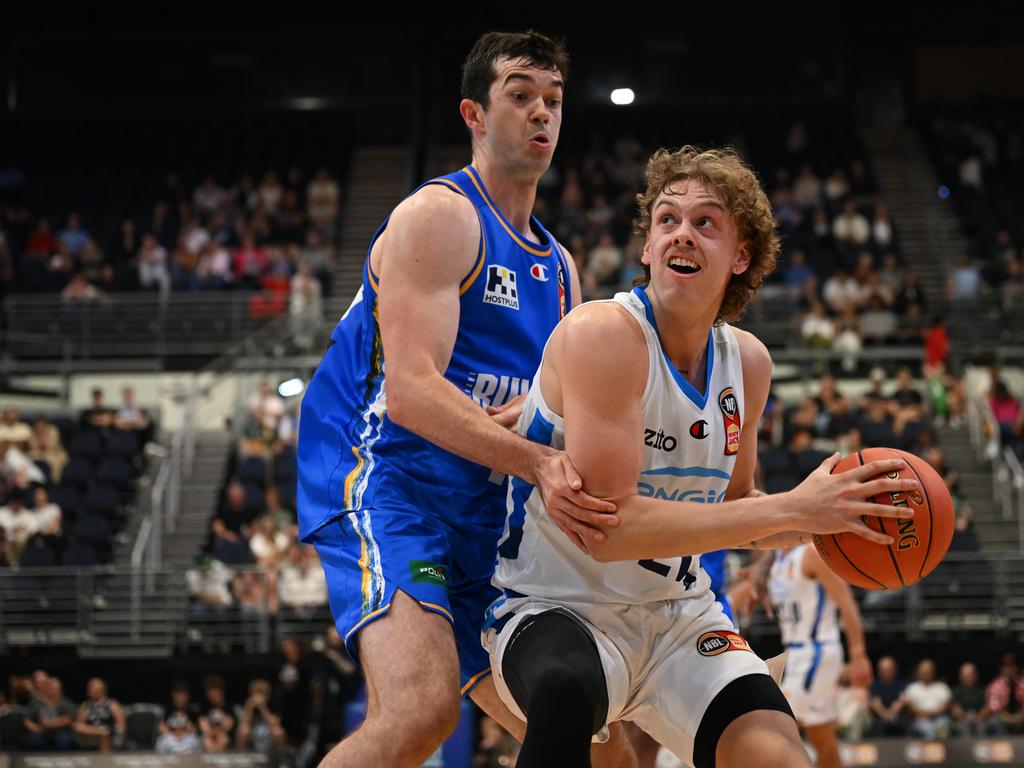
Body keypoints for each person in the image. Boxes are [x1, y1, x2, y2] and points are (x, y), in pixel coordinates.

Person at [482, 146, 918, 768]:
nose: (681, 233)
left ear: (741, 256)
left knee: (776, 756)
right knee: (562, 692)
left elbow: (739, 506)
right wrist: (791, 508)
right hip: (558, 603)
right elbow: (610, 530)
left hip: (680, 616)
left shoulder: (750, 364)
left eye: (705, 222)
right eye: (667, 220)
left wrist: (833, 518)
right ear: (646, 247)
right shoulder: (603, 335)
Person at [296, 30, 621, 768]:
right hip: (387, 481)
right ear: (474, 113)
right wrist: (540, 460)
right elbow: (411, 393)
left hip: (483, 509)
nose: (541, 114)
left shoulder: (563, 269)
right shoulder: (440, 216)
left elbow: (537, 405)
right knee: (420, 710)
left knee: (602, 743)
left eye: (553, 100)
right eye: (521, 97)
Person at [767, 544, 872, 768]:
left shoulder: (811, 554)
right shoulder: (776, 556)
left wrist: (858, 655)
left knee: (776, 730)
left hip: (815, 653)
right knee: (823, 741)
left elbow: (846, 603)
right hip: (796, 654)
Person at [904, 659, 952, 739]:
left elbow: (946, 707)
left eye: (929, 670)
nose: (926, 673)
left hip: (939, 719)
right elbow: (910, 710)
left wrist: (924, 712)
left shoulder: (942, 687)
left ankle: (943, 750)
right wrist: (932, 712)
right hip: (919, 721)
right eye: (924, 670)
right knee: (928, 729)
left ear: (934, 671)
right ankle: (932, 751)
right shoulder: (911, 688)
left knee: (943, 724)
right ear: (918, 672)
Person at [73, 677, 125, 751]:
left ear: (101, 691)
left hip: (109, 734)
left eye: (92, 689)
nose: (89, 691)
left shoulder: (111, 704)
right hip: (92, 733)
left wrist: (118, 738)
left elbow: (120, 725)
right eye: (89, 688)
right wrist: (98, 730)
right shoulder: (86, 705)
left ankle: (105, 759)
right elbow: (79, 725)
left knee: (104, 735)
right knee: (78, 727)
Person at [869, 656, 907, 736]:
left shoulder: (901, 684)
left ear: (895, 670)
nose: (885, 673)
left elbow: (901, 701)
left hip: (898, 717)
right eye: (883, 671)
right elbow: (876, 703)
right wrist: (886, 715)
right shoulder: (875, 685)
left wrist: (892, 713)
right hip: (879, 718)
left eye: (888, 670)